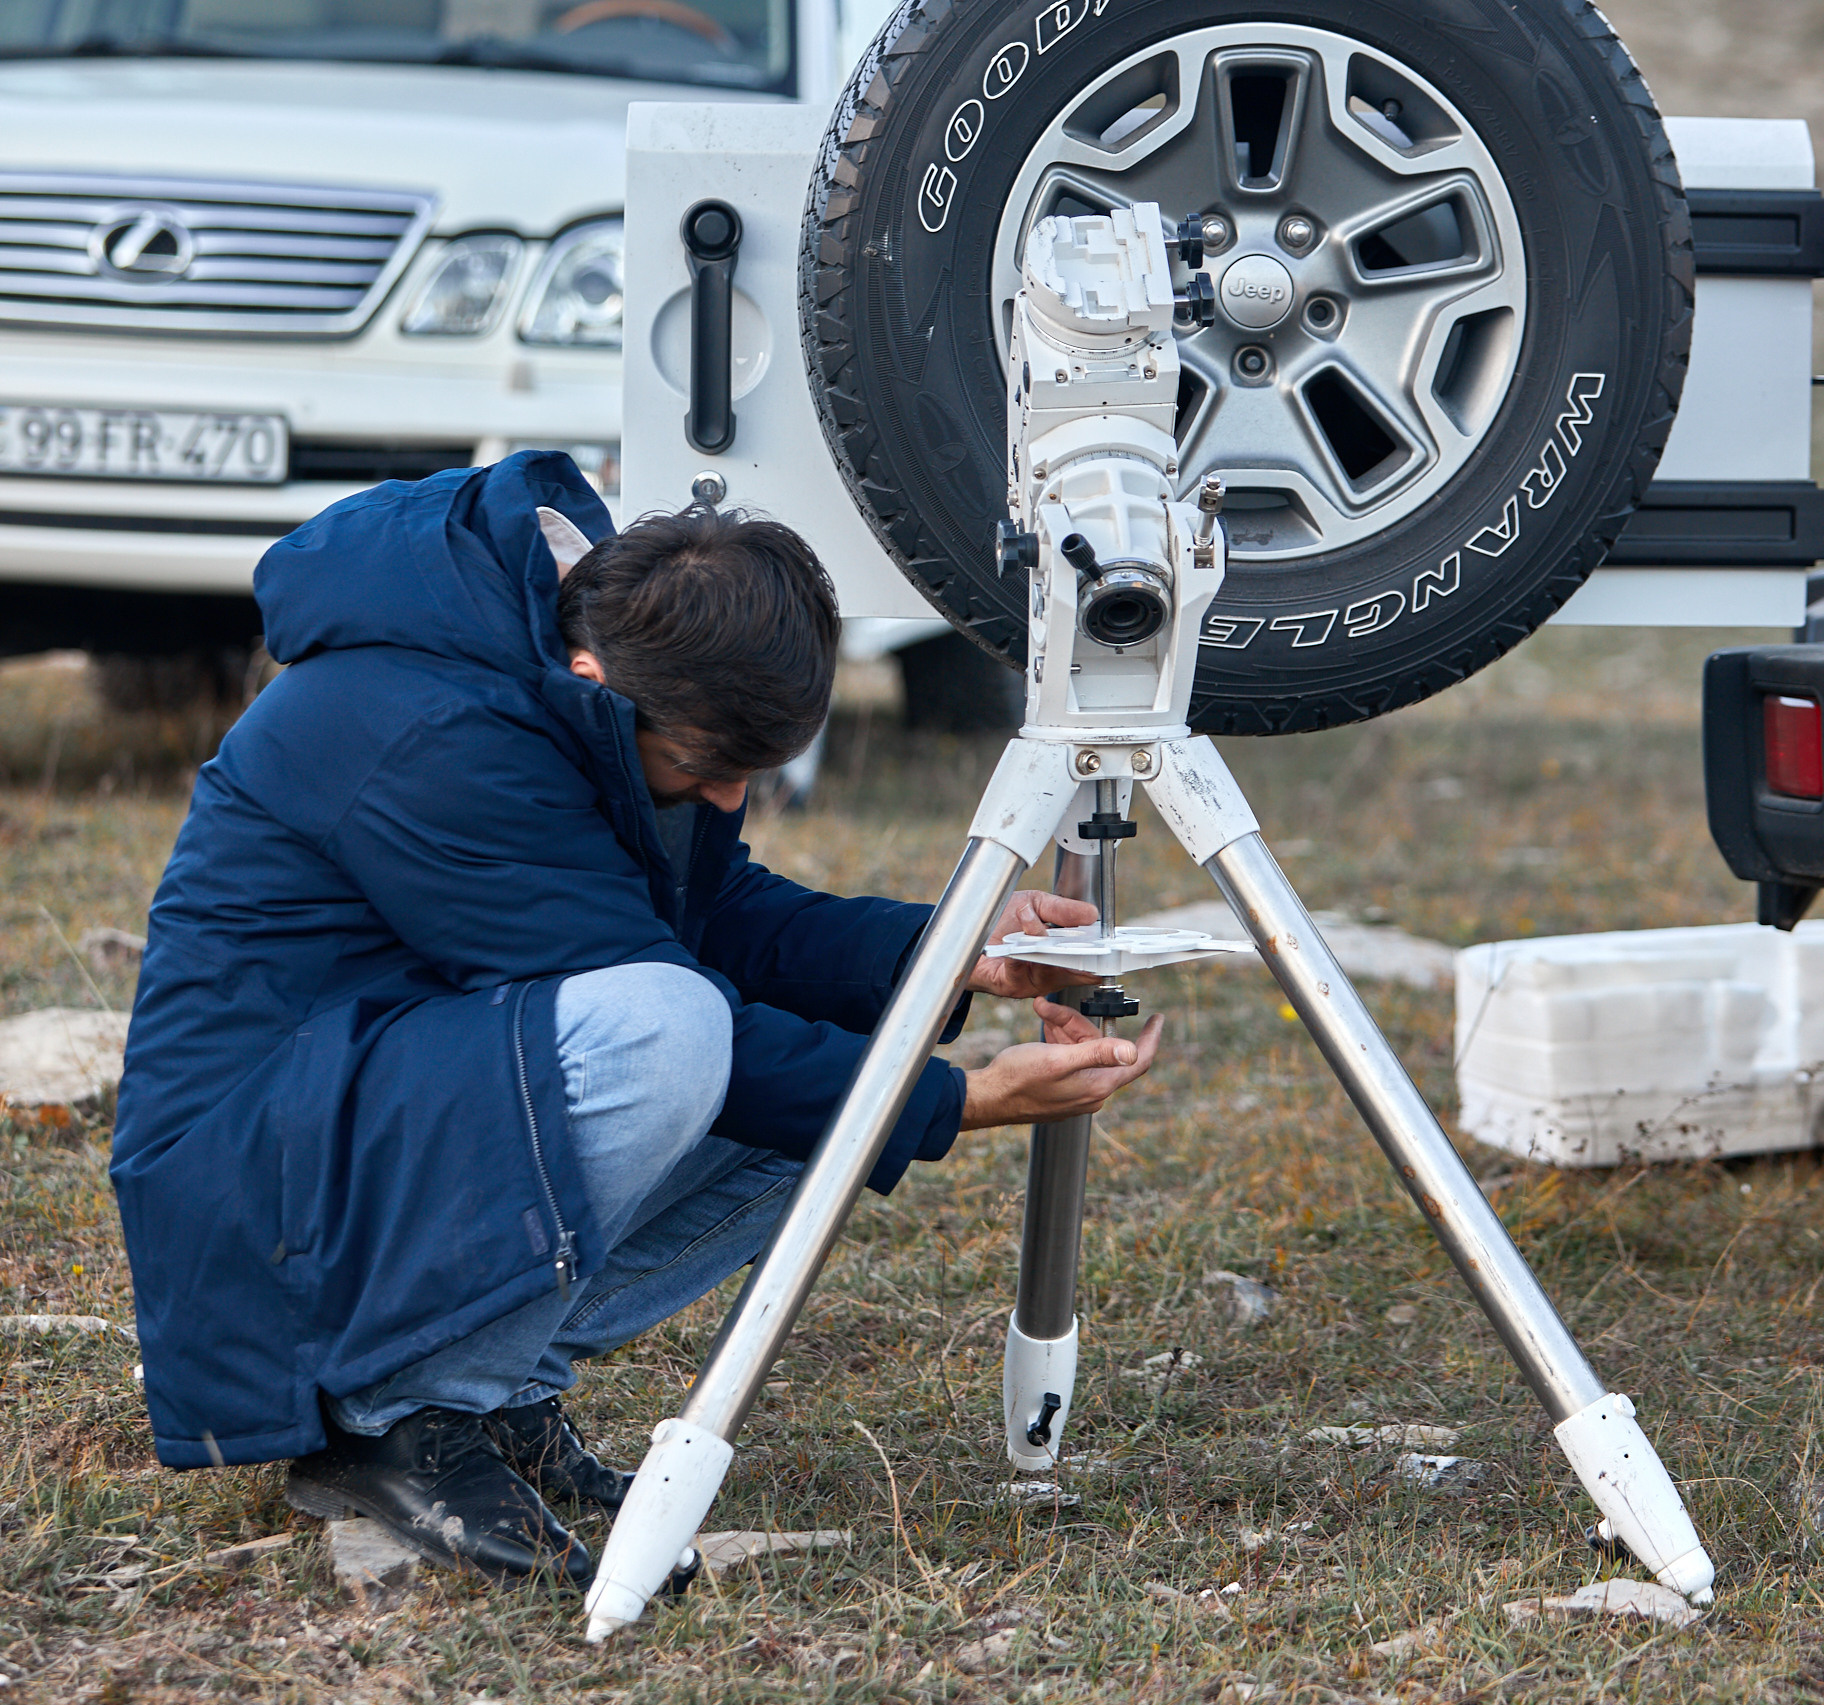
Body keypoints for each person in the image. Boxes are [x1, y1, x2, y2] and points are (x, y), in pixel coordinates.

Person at [110, 454, 1160, 1590]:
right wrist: (958, 1099)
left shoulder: (600, 669)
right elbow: (654, 990)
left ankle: (492, 1394)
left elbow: (710, 914)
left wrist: (951, 952)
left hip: (376, 1108)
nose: (729, 798)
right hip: (263, 1187)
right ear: (593, 680)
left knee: (820, 1071)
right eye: (712, 767)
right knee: (683, 1036)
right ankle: (397, 1417)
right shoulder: (426, 728)